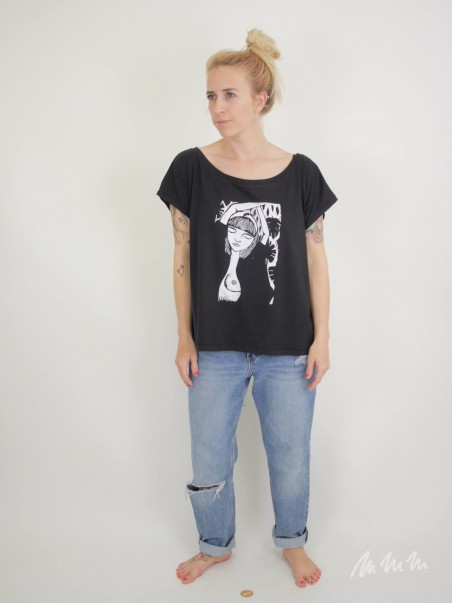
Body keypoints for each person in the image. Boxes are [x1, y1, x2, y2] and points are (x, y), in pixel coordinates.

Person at [156, 28, 338, 589]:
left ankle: (293, 543)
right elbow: (181, 256)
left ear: (261, 99)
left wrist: (322, 338)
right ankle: (214, 545)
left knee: (290, 454)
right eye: (211, 96)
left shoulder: (301, 172)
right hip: (214, 345)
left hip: (290, 346)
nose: (217, 107)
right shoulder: (190, 169)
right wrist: (184, 336)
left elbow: (316, 260)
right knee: (209, 454)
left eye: (230, 95)